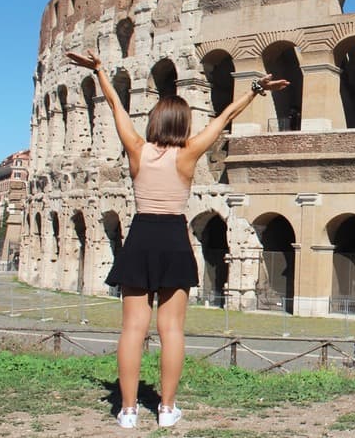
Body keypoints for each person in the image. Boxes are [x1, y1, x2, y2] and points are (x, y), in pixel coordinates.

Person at [67, 48, 287, 429]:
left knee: (132, 328)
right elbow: (225, 117)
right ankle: (166, 409)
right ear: (183, 124)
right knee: (171, 330)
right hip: (172, 235)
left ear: (154, 121)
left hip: (141, 236)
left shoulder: (137, 150)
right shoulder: (189, 153)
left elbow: (116, 107)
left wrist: (101, 70)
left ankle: (129, 410)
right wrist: (255, 89)